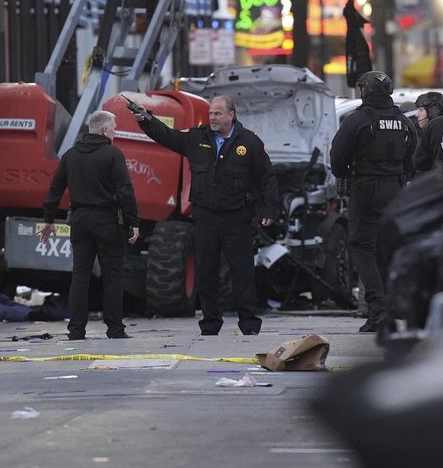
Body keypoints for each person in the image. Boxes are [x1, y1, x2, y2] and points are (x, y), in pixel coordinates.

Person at [131, 95, 278, 335]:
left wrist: (270, 209)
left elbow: (266, 177)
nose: (212, 118)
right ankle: (210, 323)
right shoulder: (197, 137)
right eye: (211, 114)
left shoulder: (249, 142)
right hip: (206, 217)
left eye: (218, 114)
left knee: (241, 272)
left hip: (236, 217)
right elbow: (169, 137)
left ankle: (249, 323)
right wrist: (146, 121)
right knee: (206, 272)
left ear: (231, 115)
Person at [330, 71, 419, 333]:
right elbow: (412, 158)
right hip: (394, 189)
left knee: (362, 248)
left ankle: (378, 309)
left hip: (365, 189)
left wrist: (347, 174)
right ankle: (391, 307)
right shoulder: (403, 121)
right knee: (386, 249)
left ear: (366, 91)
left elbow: (337, 158)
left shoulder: (357, 120)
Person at [40, 110, 140, 340]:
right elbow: (125, 190)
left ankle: (76, 330)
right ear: (105, 130)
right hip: (107, 222)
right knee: (112, 276)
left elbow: (55, 189)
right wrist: (133, 222)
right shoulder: (113, 154)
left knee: (80, 275)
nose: (116, 131)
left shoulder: (70, 155)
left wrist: (49, 220)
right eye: (114, 127)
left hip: (80, 221)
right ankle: (115, 329)